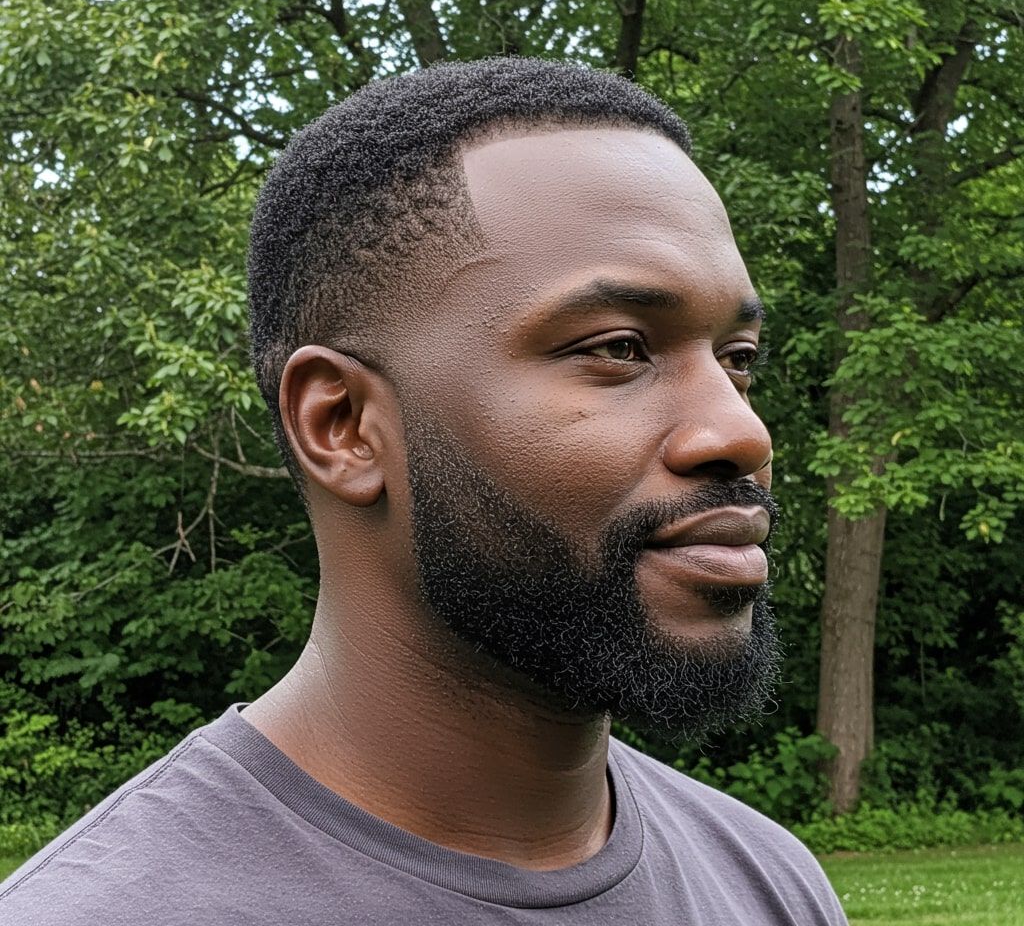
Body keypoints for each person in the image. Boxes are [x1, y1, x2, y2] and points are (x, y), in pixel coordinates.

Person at [1, 58, 847, 924]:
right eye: (619, 348)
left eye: (737, 360)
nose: (743, 433)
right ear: (343, 426)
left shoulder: (767, 886)